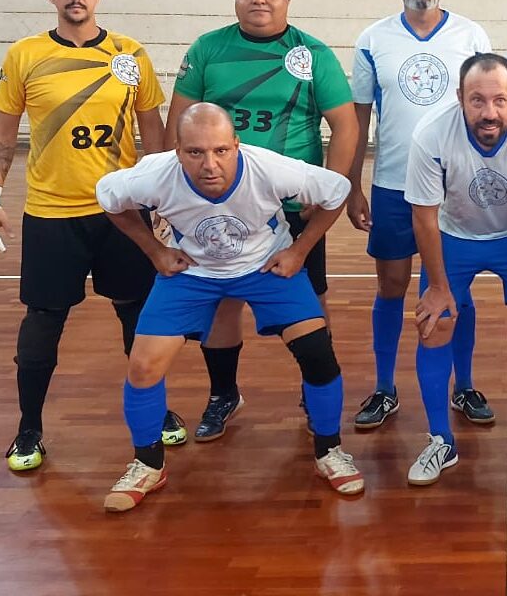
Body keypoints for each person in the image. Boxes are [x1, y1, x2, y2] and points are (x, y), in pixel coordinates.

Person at [95, 103, 362, 511]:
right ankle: (148, 464)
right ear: (177, 151)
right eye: (195, 152)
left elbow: (337, 191)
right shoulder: (154, 174)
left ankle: (329, 450)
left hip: (265, 264)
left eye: (221, 150)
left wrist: (300, 251)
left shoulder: (270, 168)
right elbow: (109, 198)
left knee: (317, 352)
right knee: (143, 365)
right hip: (192, 272)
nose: (209, 164)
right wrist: (154, 250)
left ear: (237, 145)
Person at [0, 0, 175, 472]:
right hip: (51, 214)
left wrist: (158, 197)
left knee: (138, 313)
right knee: (43, 321)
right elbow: (3, 134)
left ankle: (156, 411)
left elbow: (152, 132)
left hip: (122, 211)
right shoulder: (25, 55)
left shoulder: (130, 54)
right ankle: (29, 428)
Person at [164, 0, 357, 440]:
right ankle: (224, 392)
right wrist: (177, 197)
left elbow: (347, 125)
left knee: (312, 299)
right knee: (224, 300)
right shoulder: (208, 50)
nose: (259, 0)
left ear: (287, 0)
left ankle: (316, 393)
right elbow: (177, 126)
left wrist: (328, 188)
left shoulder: (312, 53)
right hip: (220, 201)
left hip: (290, 204)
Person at [404, 53, 507, 485]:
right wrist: (438, 287)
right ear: (459, 98)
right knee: (436, 322)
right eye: (477, 101)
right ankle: (440, 440)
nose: (489, 112)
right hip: (454, 233)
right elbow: (423, 216)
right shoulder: (431, 134)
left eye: (499, 100)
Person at [349, 0, 494, 431]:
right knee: (390, 286)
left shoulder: (471, 35)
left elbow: (489, 110)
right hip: (393, 183)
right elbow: (358, 119)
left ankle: (465, 385)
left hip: (455, 186)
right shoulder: (373, 40)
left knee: (456, 289)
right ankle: (385, 387)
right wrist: (353, 183)